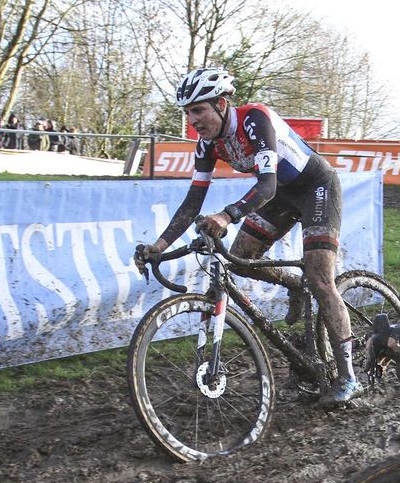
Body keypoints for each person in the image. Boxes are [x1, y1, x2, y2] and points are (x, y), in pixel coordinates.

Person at [132, 67, 365, 408]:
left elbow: (266, 184)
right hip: (280, 196)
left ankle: (348, 376)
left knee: (320, 277)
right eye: (187, 113)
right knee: (242, 258)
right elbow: (192, 201)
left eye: (198, 110)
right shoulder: (207, 145)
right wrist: (158, 246)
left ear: (222, 104)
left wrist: (227, 216)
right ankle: (293, 285)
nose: (192, 120)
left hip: (316, 188)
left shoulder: (254, 119)